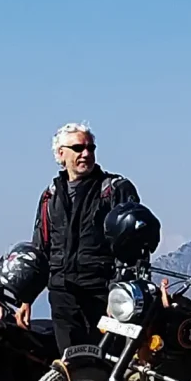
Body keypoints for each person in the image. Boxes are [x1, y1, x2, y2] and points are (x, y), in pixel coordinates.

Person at [34, 124, 140, 350]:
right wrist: (27, 298)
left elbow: (133, 248)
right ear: (61, 153)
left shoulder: (115, 189)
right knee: (70, 362)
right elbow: (40, 248)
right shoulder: (50, 195)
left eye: (90, 148)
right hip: (63, 296)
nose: (86, 153)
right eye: (78, 148)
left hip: (103, 295)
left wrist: (117, 293)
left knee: (108, 363)